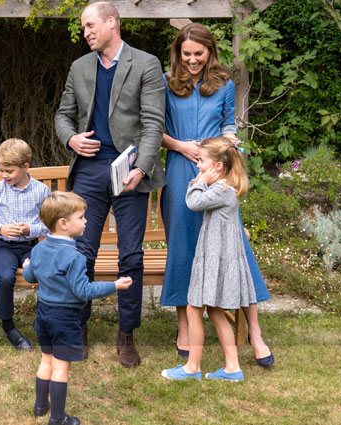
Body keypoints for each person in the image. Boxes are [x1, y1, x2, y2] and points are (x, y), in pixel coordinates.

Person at [54, 1, 165, 368]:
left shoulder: (146, 64)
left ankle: (126, 333)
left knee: (130, 255)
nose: (85, 32)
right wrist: (71, 139)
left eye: (90, 25)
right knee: (81, 254)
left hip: (130, 173)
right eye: (83, 27)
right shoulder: (79, 67)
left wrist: (143, 167)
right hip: (88, 172)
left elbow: (153, 124)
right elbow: (62, 115)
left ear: (112, 23)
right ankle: (79, 327)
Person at [159, 22, 274, 368]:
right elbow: (155, 128)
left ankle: (254, 331)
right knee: (183, 244)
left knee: (234, 244)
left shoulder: (223, 84)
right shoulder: (166, 83)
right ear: (178, 53)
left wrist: (228, 140)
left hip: (218, 172)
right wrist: (181, 146)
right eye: (187, 54)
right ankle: (184, 326)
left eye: (199, 54)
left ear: (210, 52)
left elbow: (228, 122)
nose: (193, 60)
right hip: (181, 170)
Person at [23, 191, 133, 425]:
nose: (86, 221)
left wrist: (26, 264)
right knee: (61, 367)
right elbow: (84, 291)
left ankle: (40, 406)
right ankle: (58, 418)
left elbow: (30, 276)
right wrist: (114, 285)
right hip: (65, 318)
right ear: (63, 224)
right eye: (81, 217)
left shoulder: (39, 249)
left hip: (43, 314)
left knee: (46, 360)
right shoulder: (74, 257)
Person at [162, 136, 255, 382]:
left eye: (202, 161)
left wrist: (200, 181)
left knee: (194, 309)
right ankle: (232, 368)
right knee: (215, 311)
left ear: (219, 167)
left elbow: (193, 202)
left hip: (215, 260)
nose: (198, 166)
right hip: (215, 256)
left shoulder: (221, 190)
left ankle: (192, 367)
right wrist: (202, 179)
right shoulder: (225, 188)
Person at [0, 138, 51, 351]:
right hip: (4, 246)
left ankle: (41, 322)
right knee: (5, 276)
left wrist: (29, 229)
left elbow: (50, 223)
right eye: (1, 170)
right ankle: (8, 326)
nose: (4, 175)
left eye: (9, 171)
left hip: (32, 246)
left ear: (25, 167)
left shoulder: (41, 191)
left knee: (43, 273)